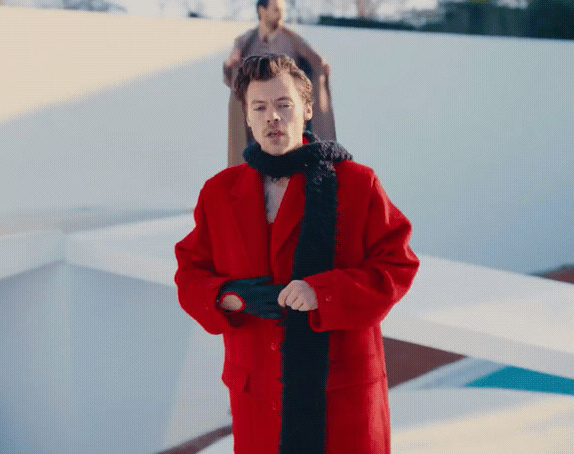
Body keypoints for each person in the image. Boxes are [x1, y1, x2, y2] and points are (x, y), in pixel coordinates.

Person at [176, 54, 419, 453]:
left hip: (340, 394)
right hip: (258, 395)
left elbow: (398, 264)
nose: (273, 116)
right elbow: (190, 273)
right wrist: (228, 297)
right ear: (248, 118)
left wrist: (323, 293)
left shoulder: (358, 183)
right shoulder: (219, 192)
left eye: (283, 105)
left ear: (306, 109)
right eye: (260, 107)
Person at [223, 0, 336, 167]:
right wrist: (231, 64)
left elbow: (318, 65)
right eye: (276, 9)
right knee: (249, 167)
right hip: (255, 121)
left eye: (283, 10)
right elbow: (232, 78)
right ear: (262, 10)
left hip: (284, 120)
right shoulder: (245, 42)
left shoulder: (292, 40)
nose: (281, 14)